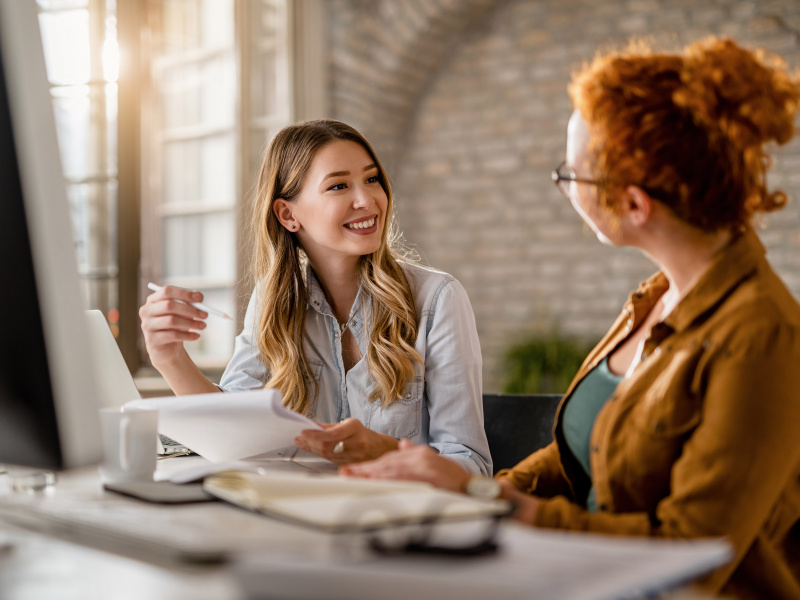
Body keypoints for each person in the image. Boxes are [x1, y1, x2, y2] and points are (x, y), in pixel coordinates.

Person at [341, 38, 800, 598]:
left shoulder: (762, 335)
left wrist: (493, 503)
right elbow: (574, 457)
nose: (565, 186)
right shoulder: (654, 299)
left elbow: (693, 552)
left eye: (572, 174)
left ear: (634, 204)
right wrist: (459, 491)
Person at [139, 119, 491, 475]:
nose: (367, 200)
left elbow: (472, 467)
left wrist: (382, 451)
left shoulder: (437, 299)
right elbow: (229, 433)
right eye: (339, 185)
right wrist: (169, 359)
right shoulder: (274, 302)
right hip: (295, 517)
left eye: (372, 179)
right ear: (288, 214)